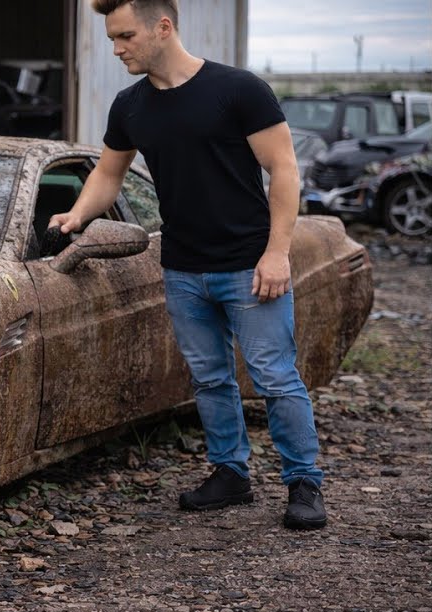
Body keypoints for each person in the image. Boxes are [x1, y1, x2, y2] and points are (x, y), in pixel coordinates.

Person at [49, 0, 327, 530]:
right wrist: (78, 215)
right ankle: (230, 475)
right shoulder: (129, 106)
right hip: (181, 268)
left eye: (126, 36)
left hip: (249, 265)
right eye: (112, 38)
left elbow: (283, 169)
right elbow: (109, 175)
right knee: (209, 377)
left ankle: (304, 483)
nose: (117, 48)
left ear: (164, 26)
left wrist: (276, 252)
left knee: (275, 377)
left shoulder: (238, 90)